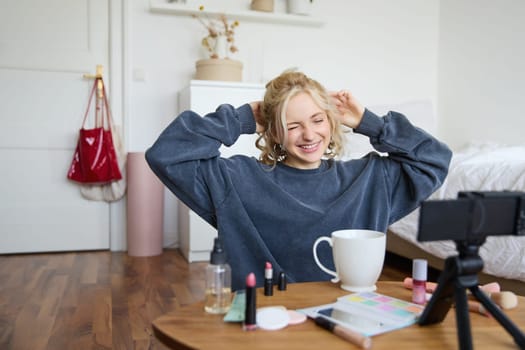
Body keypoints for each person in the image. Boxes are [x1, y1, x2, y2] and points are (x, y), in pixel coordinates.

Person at [146, 70, 452, 291]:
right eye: (292, 126)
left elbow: (434, 159)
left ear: (332, 123)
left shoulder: (370, 180)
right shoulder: (237, 181)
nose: (308, 134)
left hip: (348, 313)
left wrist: (369, 122)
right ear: (274, 133)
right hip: (267, 315)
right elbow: (166, 154)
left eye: (317, 120)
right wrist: (241, 119)